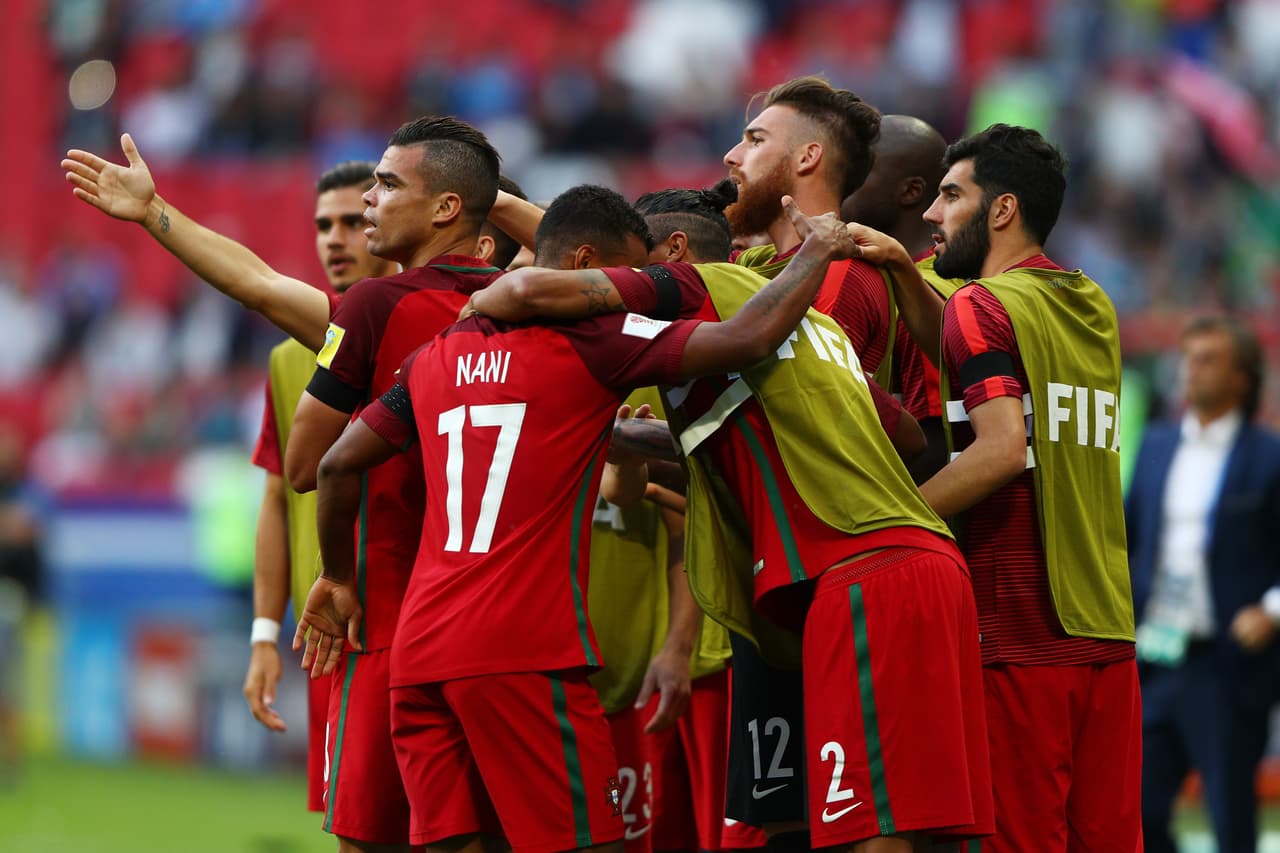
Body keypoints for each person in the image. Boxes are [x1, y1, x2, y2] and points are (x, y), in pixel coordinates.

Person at [297, 198, 866, 853]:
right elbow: (748, 337)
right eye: (627, 274)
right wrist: (817, 251)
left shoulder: (434, 353)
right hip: (524, 649)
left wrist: (337, 576)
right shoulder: (596, 340)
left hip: (420, 653)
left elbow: (336, 465)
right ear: (585, 265)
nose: (630, 292)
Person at [461, 211, 993, 851]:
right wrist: (642, 437)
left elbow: (522, 289)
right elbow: (904, 433)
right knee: (922, 825)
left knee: (865, 826)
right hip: (925, 567)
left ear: (672, 254)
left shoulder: (693, 287)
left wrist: (472, 307)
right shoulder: (816, 328)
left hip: (859, 577)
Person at [65, 116, 512, 853]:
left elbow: (303, 464)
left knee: (371, 839)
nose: (364, 208)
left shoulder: (376, 312)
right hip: (505, 631)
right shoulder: (537, 311)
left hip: (384, 620)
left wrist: (153, 213)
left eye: (383, 187)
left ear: (445, 208)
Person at [849, 123, 1142, 851]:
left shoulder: (980, 306)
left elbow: (1003, 450)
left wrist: (895, 525)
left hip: (1018, 627)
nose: (932, 213)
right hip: (1105, 626)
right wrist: (906, 272)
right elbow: (972, 347)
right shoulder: (1090, 304)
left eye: (952, 196)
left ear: (1002, 209)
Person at [241, 160, 395, 816]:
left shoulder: (422, 330)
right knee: (353, 829)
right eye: (324, 225)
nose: (336, 238)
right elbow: (279, 497)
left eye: (354, 222)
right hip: (329, 634)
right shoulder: (288, 359)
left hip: (403, 618)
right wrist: (263, 634)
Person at [1127, 315, 1280, 853]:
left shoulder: (1268, 456)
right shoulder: (1156, 444)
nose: (1191, 370)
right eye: (1188, 357)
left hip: (1226, 665)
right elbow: (1129, 537)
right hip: (1154, 657)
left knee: (1230, 817)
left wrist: (1271, 610)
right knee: (1138, 811)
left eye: (1208, 359)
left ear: (1243, 376)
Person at [841, 115, 962, 482]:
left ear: (910, 191)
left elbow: (936, 445)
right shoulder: (877, 277)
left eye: (861, 169)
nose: (842, 178)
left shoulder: (926, 295)